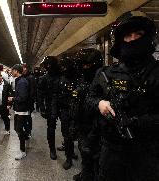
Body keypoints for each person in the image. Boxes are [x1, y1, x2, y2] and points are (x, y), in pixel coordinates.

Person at [87, 13, 159, 181]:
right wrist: (100, 103)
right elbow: (90, 98)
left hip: (148, 153)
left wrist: (138, 122)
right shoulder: (106, 73)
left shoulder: (156, 73)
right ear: (120, 40)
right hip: (111, 152)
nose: (133, 39)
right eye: (128, 35)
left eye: (138, 34)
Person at [71, 49, 103, 181]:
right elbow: (75, 101)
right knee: (84, 151)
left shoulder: (102, 81)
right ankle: (86, 173)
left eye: (88, 65)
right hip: (82, 122)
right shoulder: (81, 80)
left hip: (95, 126)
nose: (85, 68)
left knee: (95, 155)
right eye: (83, 65)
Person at [52, 55, 79, 168]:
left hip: (77, 111)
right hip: (65, 111)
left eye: (65, 66)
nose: (63, 69)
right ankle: (69, 157)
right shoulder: (61, 80)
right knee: (66, 134)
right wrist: (55, 112)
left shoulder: (78, 79)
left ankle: (71, 152)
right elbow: (56, 96)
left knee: (75, 134)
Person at [38, 56, 60, 160]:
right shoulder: (44, 79)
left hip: (62, 105)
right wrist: (42, 108)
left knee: (67, 129)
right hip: (51, 106)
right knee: (51, 129)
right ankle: (52, 149)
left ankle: (68, 148)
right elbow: (40, 95)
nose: (48, 67)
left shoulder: (61, 76)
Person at [8, 64, 29, 160]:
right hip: (19, 109)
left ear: (16, 71)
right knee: (17, 129)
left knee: (18, 129)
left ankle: (22, 151)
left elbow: (23, 97)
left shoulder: (22, 82)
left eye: (12, 70)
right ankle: (25, 136)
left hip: (22, 110)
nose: (11, 72)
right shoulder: (20, 81)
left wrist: (13, 98)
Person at [22, 63, 36, 138]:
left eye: (24, 68)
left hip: (28, 102)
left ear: (26, 69)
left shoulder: (31, 78)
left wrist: (30, 101)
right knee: (24, 117)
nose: (23, 69)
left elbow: (32, 91)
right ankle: (26, 131)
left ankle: (28, 132)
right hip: (23, 102)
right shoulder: (23, 77)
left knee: (28, 117)